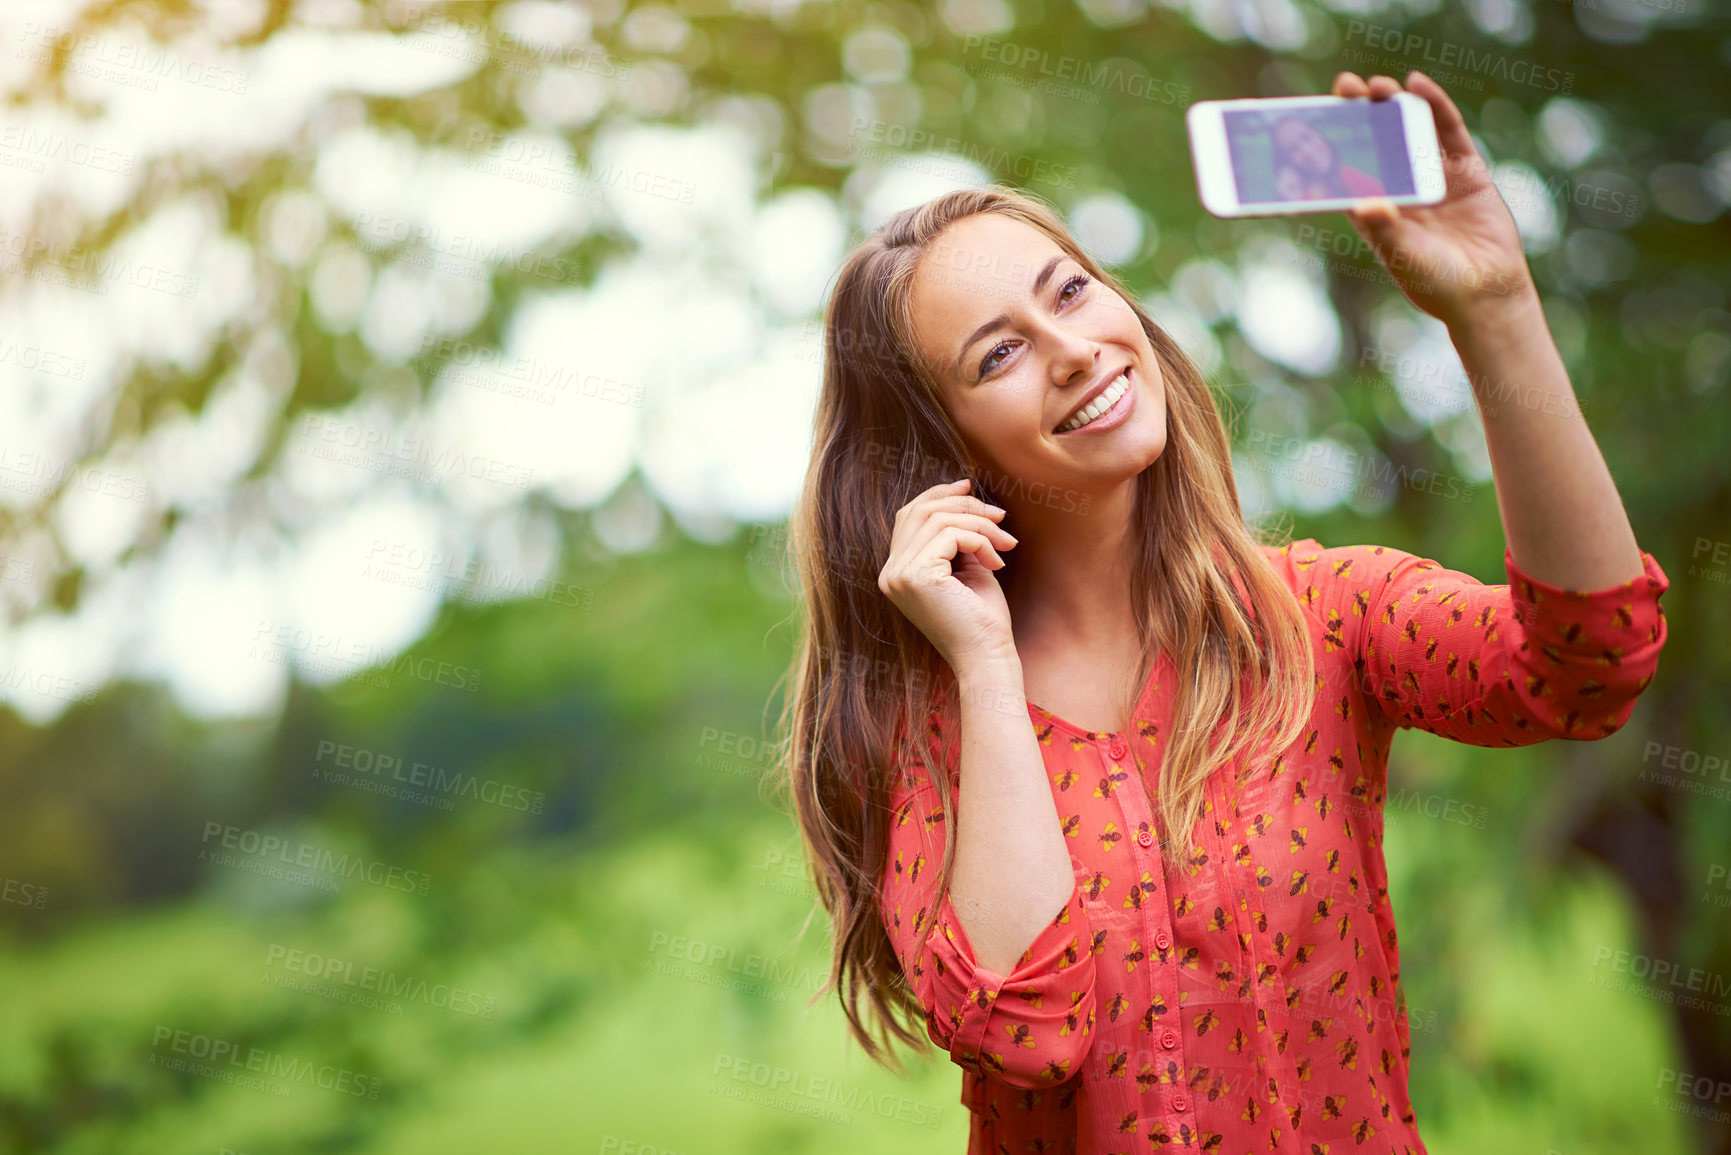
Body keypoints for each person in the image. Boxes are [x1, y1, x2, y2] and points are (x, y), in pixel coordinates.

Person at [773, 70, 1669, 1153]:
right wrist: (986, 667)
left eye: (1069, 291)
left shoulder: (1322, 618)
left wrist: (1497, 308)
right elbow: (1025, 1033)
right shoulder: (923, 719)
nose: (1070, 349)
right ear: (942, 451)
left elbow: (1587, 663)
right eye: (998, 353)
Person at [1271, 112, 1387, 199]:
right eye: (1293, 150)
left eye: (1307, 137)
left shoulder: (1352, 178)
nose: (1308, 152)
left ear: (1320, 135)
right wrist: (1291, 200)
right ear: (1287, 162)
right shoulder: (1295, 196)